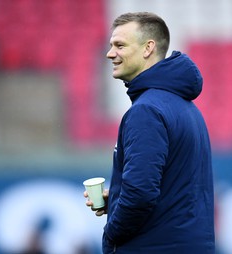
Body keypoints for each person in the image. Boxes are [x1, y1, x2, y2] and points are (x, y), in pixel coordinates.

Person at [84, 12, 215, 253]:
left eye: (120, 45)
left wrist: (112, 235)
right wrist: (116, 198)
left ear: (148, 48)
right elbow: (171, 189)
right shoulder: (185, 106)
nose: (110, 53)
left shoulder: (146, 111)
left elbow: (140, 194)